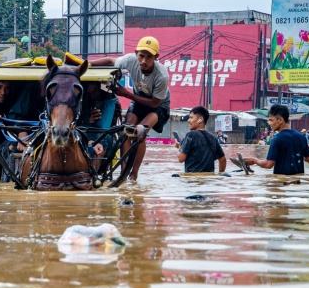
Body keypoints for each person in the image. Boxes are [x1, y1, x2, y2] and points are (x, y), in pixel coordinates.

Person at [90, 36, 170, 181]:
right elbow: (110, 61)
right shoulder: (130, 60)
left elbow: (154, 103)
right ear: (135, 53)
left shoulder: (162, 76)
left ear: (156, 57)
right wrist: (85, 64)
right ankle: (124, 172)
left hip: (158, 104)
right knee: (125, 131)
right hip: (139, 99)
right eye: (141, 56)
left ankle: (134, 173)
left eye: (149, 57)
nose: (144, 61)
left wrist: (126, 94)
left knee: (140, 131)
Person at [244, 104, 309, 175]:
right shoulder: (301, 136)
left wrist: (255, 161)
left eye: (271, 120)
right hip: (298, 183)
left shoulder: (277, 138)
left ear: (280, 120)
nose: (269, 123)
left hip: (282, 183)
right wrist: (296, 153)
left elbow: (268, 164)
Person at [175, 106, 226, 174]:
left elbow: (181, 158)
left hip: (193, 180)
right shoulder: (213, 138)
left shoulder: (191, 135)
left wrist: (180, 147)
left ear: (200, 119)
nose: (188, 120)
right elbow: (223, 160)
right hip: (209, 180)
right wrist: (220, 174)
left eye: (191, 117)